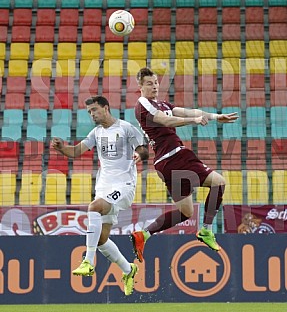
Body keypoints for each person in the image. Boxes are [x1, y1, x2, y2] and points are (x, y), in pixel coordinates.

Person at [131, 67, 239, 262]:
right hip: (175, 156)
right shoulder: (143, 105)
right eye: (149, 83)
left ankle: (143, 235)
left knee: (186, 212)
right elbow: (166, 120)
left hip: (166, 163)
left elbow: (188, 110)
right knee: (219, 183)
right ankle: (206, 230)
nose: (154, 86)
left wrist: (215, 117)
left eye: (156, 82)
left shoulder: (161, 103)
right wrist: (193, 121)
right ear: (140, 86)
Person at [52, 95, 149, 295]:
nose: (92, 114)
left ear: (106, 108)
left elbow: (143, 149)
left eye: (94, 110)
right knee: (102, 239)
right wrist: (62, 149)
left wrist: (139, 154)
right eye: (89, 112)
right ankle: (129, 270)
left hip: (124, 184)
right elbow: (77, 151)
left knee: (94, 207)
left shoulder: (126, 128)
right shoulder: (96, 133)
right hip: (104, 187)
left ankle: (88, 260)